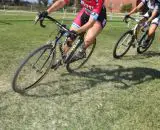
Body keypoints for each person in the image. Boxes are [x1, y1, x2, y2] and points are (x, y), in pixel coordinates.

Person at [37, 0, 107, 62]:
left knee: (88, 39)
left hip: (98, 18)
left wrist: (76, 32)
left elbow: (90, 23)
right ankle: (63, 58)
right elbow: (62, 1)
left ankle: (82, 51)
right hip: (85, 13)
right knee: (70, 37)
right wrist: (47, 11)